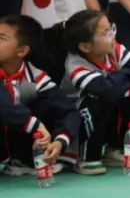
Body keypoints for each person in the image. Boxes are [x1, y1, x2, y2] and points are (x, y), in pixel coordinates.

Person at [60, 10, 130, 175]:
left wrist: (123, 83)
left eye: (112, 28)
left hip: (108, 103)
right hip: (76, 117)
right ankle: (87, 156)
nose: (113, 35)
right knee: (97, 99)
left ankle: (114, 148)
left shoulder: (115, 49)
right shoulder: (75, 66)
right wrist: (128, 75)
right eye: (106, 32)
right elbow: (105, 90)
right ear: (85, 46)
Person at [0, 15, 80, 176]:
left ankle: (25, 160)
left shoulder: (36, 76)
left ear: (22, 51)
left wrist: (60, 141)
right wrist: (35, 124)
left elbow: (69, 111)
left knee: (45, 104)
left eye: (1, 38)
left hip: (14, 143)